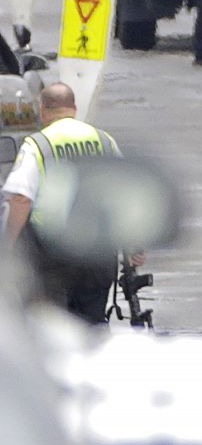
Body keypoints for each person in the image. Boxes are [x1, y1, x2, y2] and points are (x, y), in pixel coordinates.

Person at [2, 83, 145, 323]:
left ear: (43, 109)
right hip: (98, 252)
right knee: (92, 325)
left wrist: (7, 245)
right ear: (74, 108)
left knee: (52, 326)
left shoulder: (38, 144)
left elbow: (20, 198)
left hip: (52, 253)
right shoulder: (104, 140)